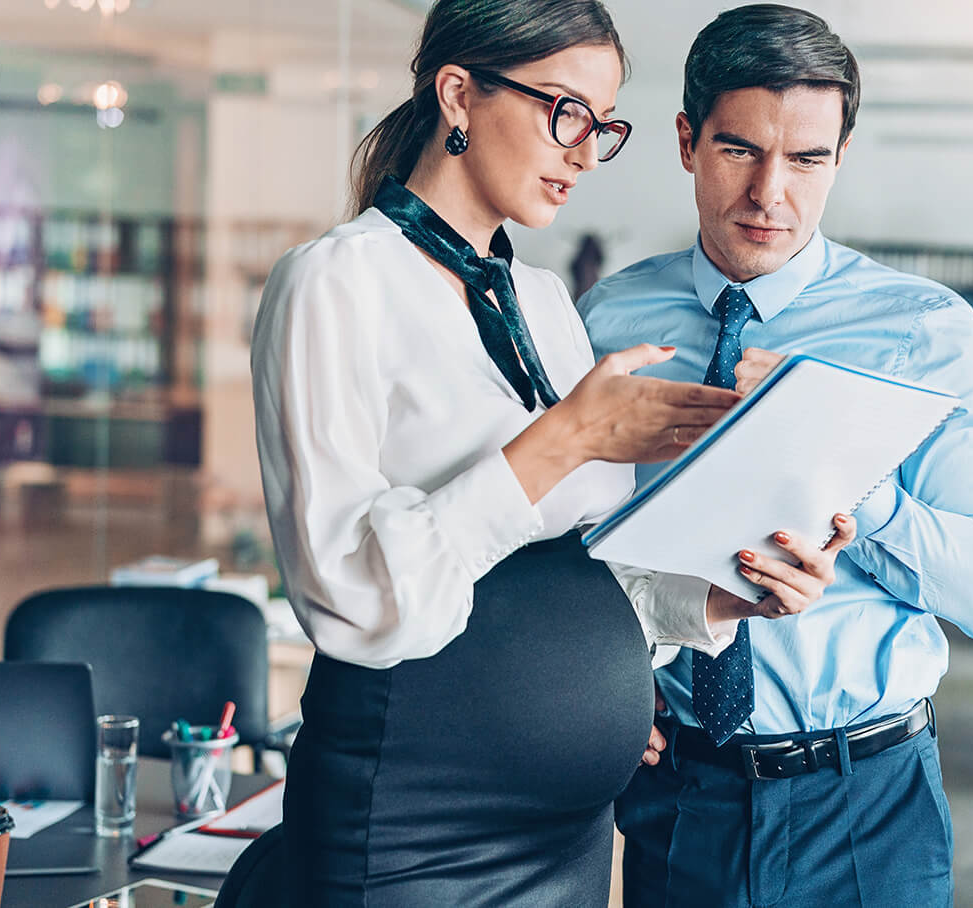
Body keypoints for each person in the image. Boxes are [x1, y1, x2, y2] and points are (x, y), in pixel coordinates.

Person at [250, 1, 852, 903]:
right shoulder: (337, 282)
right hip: (415, 811)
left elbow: (589, 564)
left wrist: (720, 600)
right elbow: (350, 596)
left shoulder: (542, 300)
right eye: (563, 110)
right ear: (457, 94)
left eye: (601, 125)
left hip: (569, 835)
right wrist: (565, 437)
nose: (582, 152)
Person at [578, 6, 973, 906]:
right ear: (686, 142)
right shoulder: (608, 325)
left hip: (866, 798)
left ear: (840, 157)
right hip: (678, 791)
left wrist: (825, 454)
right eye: (740, 150)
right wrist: (599, 682)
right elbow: (569, 551)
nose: (770, 193)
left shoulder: (925, 332)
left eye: (808, 159)